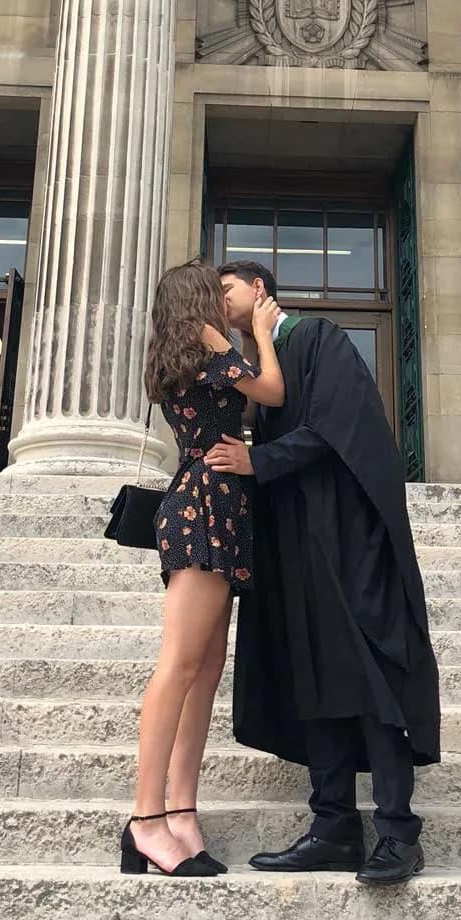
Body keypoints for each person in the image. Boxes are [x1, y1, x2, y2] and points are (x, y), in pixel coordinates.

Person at [204, 260, 441, 887]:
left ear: (259, 289)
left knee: (369, 674)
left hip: (345, 540)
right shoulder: (257, 363)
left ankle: (398, 831)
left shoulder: (316, 337)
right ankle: (333, 826)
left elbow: (339, 430)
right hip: (293, 544)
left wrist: (258, 460)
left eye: (224, 289)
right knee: (313, 677)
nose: (217, 300)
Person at [121, 258, 284, 879]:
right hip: (203, 506)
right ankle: (145, 821)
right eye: (214, 291)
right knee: (181, 665)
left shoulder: (179, 348)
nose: (223, 299)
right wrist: (261, 334)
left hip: (215, 506)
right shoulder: (207, 340)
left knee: (205, 669)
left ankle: (182, 813)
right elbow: (271, 392)